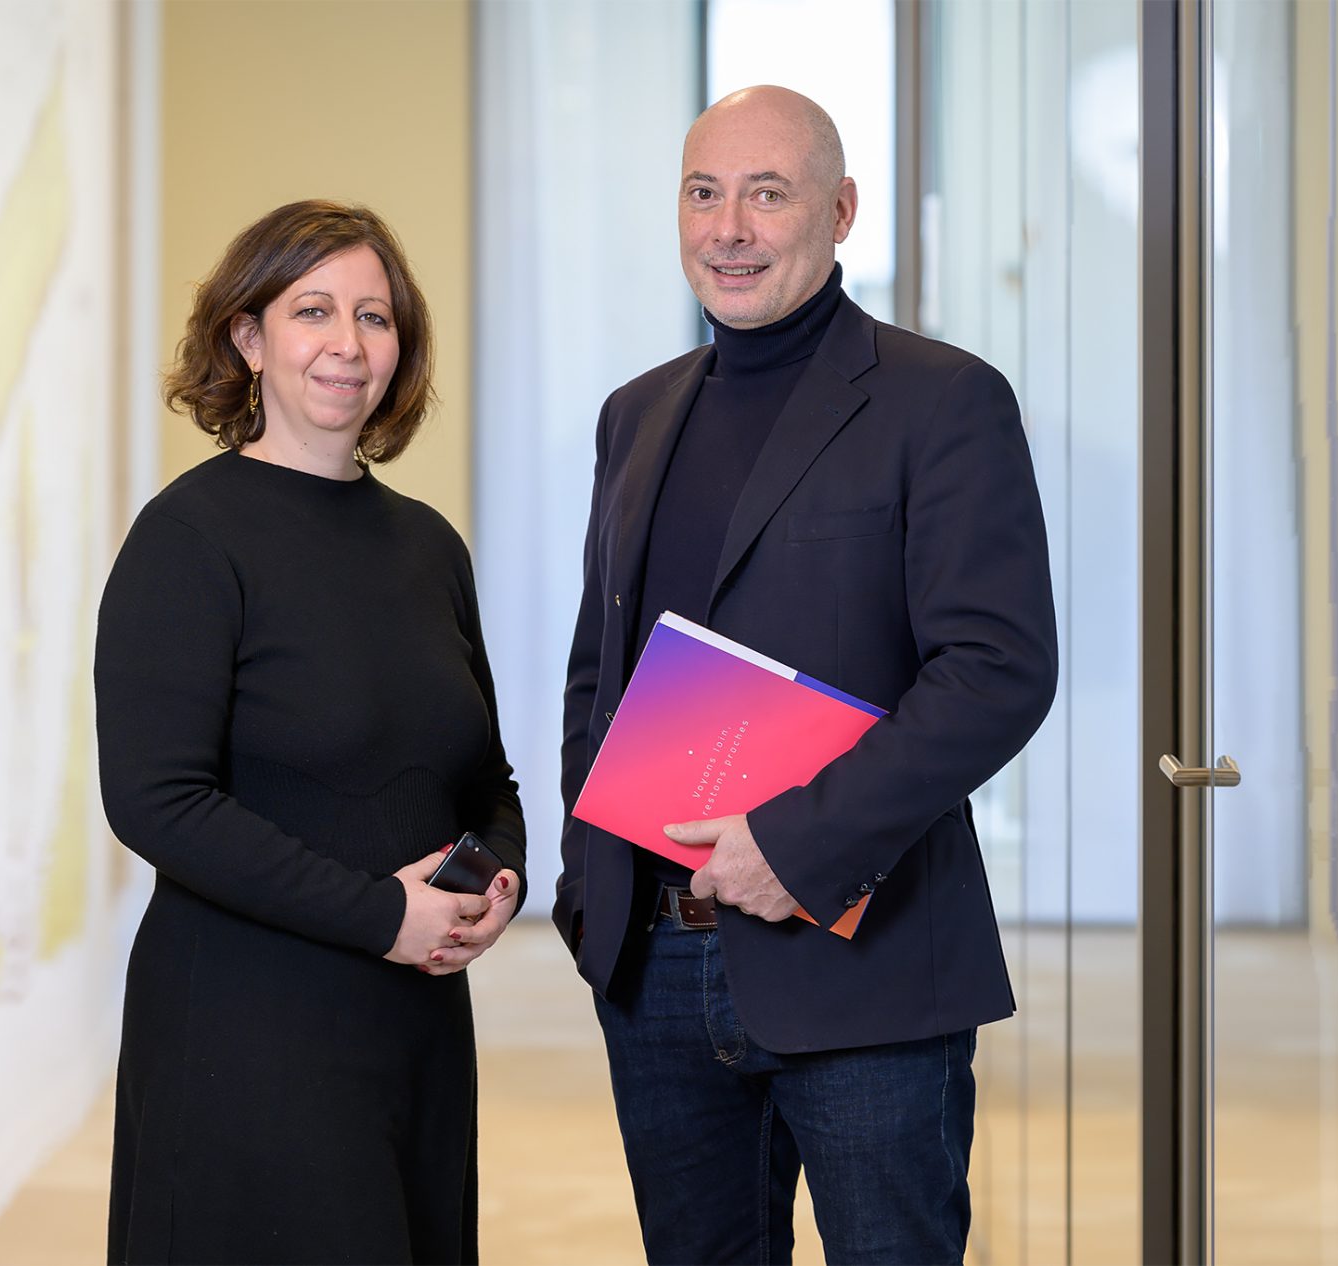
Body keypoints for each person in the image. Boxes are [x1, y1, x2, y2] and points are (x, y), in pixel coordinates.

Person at [557, 87, 1058, 1264]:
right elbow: (599, 673)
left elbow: (996, 668)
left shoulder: (943, 402)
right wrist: (595, 894)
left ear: (839, 212)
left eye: (766, 193)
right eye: (703, 192)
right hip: (660, 964)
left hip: (863, 965)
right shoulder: (634, 417)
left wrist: (798, 846)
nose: (728, 227)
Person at [96, 199, 525, 1266]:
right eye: (314, 311)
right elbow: (157, 800)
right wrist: (383, 913)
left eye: (375, 317)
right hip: (247, 1029)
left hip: (415, 1021)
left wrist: (498, 878)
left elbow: (485, 771)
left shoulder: (429, 547)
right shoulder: (188, 538)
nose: (348, 344)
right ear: (248, 338)